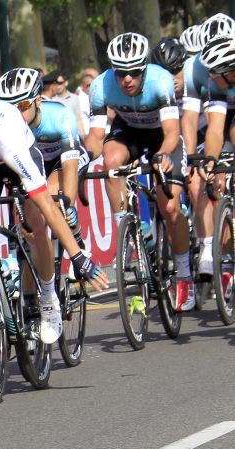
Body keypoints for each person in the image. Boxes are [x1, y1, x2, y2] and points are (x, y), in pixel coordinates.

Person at [0, 85, 108, 345]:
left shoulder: (9, 137)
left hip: (16, 161)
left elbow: (48, 205)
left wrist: (78, 257)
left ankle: (48, 297)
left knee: (34, 226)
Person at [86, 32, 192, 309]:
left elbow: (172, 132)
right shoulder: (100, 86)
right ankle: (127, 229)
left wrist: (164, 155)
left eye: (134, 72)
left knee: (169, 207)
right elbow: (96, 136)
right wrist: (82, 159)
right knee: (110, 162)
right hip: (129, 131)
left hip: (161, 135)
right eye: (121, 73)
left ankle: (184, 274)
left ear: (144, 68)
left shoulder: (160, 80)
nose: (127, 79)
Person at [0, 68, 87, 253]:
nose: (15, 113)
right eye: (9, 107)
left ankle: (76, 237)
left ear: (38, 101)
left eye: (22, 106)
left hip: (62, 159)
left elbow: (69, 166)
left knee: (53, 205)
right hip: (35, 163)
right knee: (30, 219)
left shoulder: (60, 116)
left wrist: (67, 203)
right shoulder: (3, 125)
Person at [190, 27, 235, 288]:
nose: (208, 77)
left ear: (229, 70)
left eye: (213, 73)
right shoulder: (216, 84)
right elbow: (215, 129)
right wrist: (210, 159)